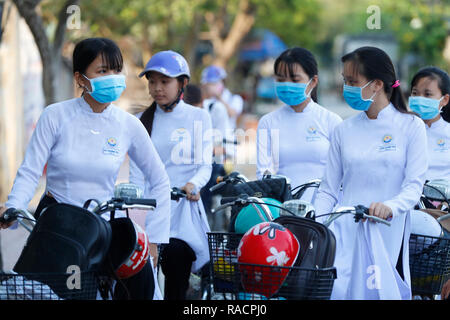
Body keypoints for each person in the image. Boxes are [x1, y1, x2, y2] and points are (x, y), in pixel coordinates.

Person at [0, 38, 171, 300]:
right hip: (57, 226)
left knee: (141, 282)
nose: (112, 78)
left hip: (101, 227)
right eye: (102, 71)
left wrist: (156, 239)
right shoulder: (55, 116)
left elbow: (159, 180)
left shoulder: (128, 124)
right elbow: (30, 170)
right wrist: (14, 206)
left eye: (116, 70)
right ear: (81, 79)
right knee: (60, 291)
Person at [313, 46, 428, 300]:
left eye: (352, 81)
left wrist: (390, 206)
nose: (346, 87)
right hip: (345, 232)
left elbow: (414, 187)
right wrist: (315, 226)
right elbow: (328, 190)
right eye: (345, 81)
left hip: (388, 229)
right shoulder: (344, 130)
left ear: (377, 84)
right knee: (341, 291)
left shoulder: (411, 126)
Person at [129, 50, 213, 300]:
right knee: (141, 284)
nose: (157, 88)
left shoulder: (199, 117)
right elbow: (136, 176)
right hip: (150, 214)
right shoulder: (139, 121)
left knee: (177, 273)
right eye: (152, 82)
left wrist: (193, 185)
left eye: (164, 82)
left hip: (183, 214)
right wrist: (138, 214)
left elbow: (204, 166)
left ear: (183, 84)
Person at [256, 47, 342, 203]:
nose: (287, 85)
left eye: (295, 80)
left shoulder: (331, 121)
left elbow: (342, 173)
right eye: (281, 80)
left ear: (313, 81)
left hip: (325, 211)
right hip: (282, 210)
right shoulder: (268, 122)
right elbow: (263, 172)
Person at [408, 67, 450, 181]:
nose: (419, 99)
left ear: (444, 100)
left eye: (427, 94)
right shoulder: (402, 129)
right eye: (415, 93)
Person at [201, 65, 244, 130]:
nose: (212, 86)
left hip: (227, 138)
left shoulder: (235, 98)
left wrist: (219, 97)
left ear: (223, 82)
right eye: (210, 84)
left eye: (214, 83)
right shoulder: (205, 100)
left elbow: (232, 114)